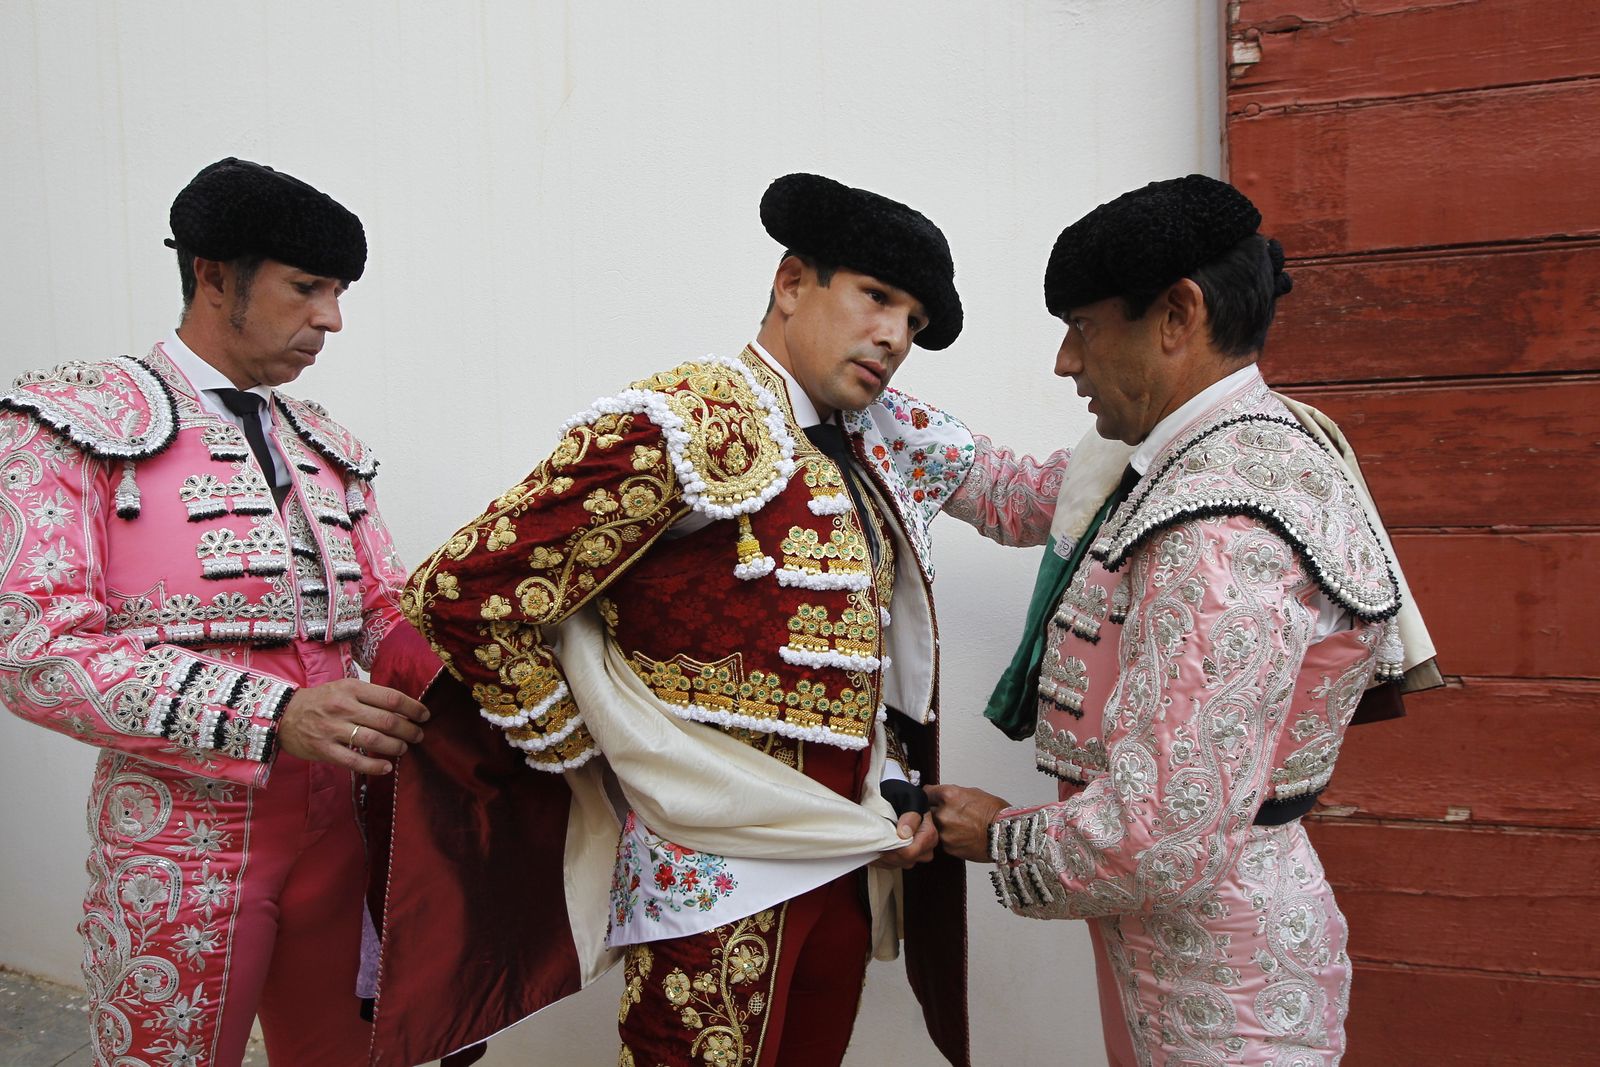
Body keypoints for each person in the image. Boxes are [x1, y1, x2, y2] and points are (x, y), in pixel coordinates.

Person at [376, 173, 990, 1067]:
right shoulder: (694, 419)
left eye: (915, 326)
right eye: (877, 298)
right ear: (791, 283)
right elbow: (462, 588)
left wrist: (886, 787)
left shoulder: (862, 452)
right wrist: (586, 747)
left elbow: (852, 666)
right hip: (713, 875)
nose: (895, 337)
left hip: (846, 856)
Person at [927, 174, 1438, 1066]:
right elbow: (1025, 494)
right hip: (1199, 941)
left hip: (1220, 968)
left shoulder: (1216, 520)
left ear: (1176, 315)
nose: (1065, 361)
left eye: (1082, 327)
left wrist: (997, 834)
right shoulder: (1220, 450)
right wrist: (878, 415)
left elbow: (1162, 831)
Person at [0, 157, 428, 1066]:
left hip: (338, 834)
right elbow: (31, 644)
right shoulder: (68, 423)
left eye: (340, 291)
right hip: (176, 841)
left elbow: (389, 613)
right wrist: (274, 712)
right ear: (212, 275)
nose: (332, 318)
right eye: (307, 287)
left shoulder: (325, 443)